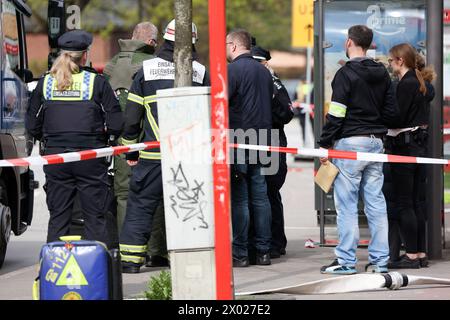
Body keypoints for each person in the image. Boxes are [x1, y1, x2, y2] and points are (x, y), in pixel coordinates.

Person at [119, 19, 210, 273]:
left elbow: (132, 116)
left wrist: (130, 149)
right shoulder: (200, 72)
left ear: (166, 39)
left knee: (141, 206)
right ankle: (190, 263)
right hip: (188, 156)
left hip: (151, 155)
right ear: (192, 42)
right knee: (190, 207)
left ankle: (130, 261)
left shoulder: (146, 71)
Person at [26, 30, 123, 248]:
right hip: (90, 157)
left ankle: (53, 274)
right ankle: (96, 275)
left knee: (59, 218)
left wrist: (46, 140)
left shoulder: (46, 83)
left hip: (56, 159)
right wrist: (108, 139)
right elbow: (116, 121)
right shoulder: (96, 82)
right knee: (95, 218)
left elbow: (32, 123)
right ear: (85, 55)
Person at [317, 25, 398, 275]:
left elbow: (337, 113)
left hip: (350, 144)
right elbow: (391, 112)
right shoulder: (383, 73)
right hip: (376, 143)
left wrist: (324, 143)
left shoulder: (345, 74)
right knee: (376, 203)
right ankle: (380, 260)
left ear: (348, 42)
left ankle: (346, 261)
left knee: (347, 205)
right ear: (370, 44)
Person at [103, 22, 168, 267]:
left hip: (122, 142)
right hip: (151, 139)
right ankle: (156, 250)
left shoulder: (111, 65)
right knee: (154, 195)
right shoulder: (152, 66)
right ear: (151, 42)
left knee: (123, 195)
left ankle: (126, 252)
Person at [226, 29, 273, 267]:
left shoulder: (231, 71)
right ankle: (264, 251)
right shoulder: (264, 72)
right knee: (261, 198)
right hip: (265, 138)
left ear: (234, 46)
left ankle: (241, 254)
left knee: (240, 199)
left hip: (239, 138)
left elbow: (221, 104)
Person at [385, 44, 435, 269]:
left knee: (405, 203)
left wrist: (379, 119)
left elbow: (397, 118)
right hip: (419, 147)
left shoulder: (406, 84)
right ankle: (421, 253)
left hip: (404, 148)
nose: (389, 64)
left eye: (390, 61)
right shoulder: (422, 84)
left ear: (400, 61)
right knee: (416, 202)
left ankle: (412, 254)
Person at [251, 45, 294, 258]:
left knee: (269, 193)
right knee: (257, 194)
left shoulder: (273, 82)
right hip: (252, 142)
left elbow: (287, 113)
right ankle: (261, 242)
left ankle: (275, 243)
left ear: (264, 63)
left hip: (272, 142)